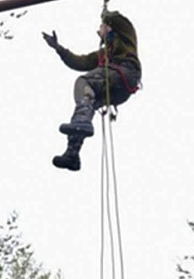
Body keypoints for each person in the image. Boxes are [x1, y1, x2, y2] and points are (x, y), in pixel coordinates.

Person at [43, 9, 142, 171]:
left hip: (125, 72)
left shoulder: (125, 35)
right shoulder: (103, 54)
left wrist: (105, 14)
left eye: (100, 28)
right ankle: (72, 153)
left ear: (109, 27)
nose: (98, 31)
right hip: (118, 87)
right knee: (87, 102)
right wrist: (58, 48)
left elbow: (115, 18)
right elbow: (79, 62)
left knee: (84, 82)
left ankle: (81, 123)